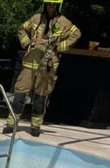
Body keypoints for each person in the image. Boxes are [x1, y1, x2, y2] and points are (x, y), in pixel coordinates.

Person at [4, 0, 80, 137]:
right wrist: (26, 43)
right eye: (48, 4)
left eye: (53, 5)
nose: (50, 7)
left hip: (47, 66)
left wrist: (60, 47)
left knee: (40, 97)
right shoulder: (36, 18)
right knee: (20, 94)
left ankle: (36, 126)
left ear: (58, 6)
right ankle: (11, 123)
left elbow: (76, 34)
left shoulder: (64, 22)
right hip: (29, 63)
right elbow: (22, 29)